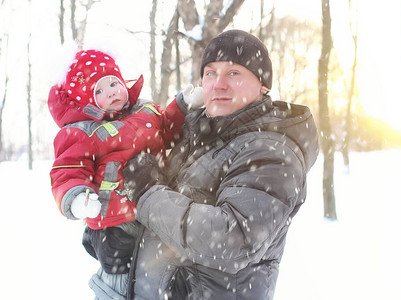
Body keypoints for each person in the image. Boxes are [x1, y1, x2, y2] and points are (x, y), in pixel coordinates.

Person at [124, 29, 320, 299]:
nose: (218, 84)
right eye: (210, 73)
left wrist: (148, 194)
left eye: (234, 73)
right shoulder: (198, 135)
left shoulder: (273, 151)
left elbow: (233, 239)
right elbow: (164, 221)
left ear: (262, 85)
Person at [48, 49, 203, 300]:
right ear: (85, 100)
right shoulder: (82, 131)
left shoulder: (147, 111)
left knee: (154, 274)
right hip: (113, 223)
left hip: (153, 208)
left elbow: (169, 129)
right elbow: (67, 169)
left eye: (113, 83)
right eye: (98, 90)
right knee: (119, 280)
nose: (110, 92)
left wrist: (183, 105)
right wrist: (76, 198)